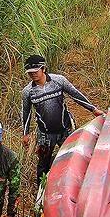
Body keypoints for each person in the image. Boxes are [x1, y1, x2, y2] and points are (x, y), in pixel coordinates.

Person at [21, 54, 104, 184]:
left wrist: (93, 109)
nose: (32, 75)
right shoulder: (28, 91)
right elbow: (26, 113)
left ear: (43, 68)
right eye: (29, 73)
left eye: (35, 71)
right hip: (45, 135)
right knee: (43, 164)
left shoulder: (58, 81)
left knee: (72, 158)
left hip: (65, 130)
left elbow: (75, 95)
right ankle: (41, 193)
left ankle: (75, 185)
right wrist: (25, 134)